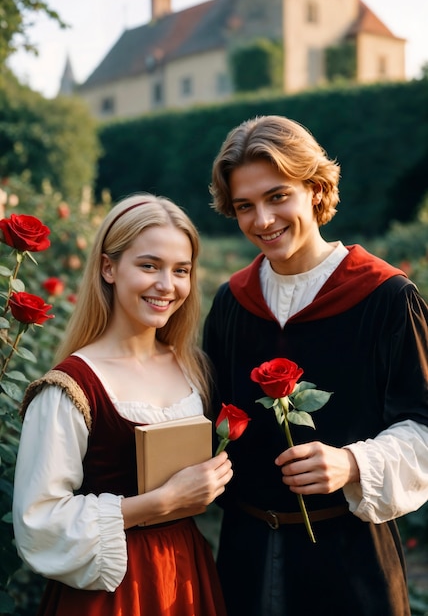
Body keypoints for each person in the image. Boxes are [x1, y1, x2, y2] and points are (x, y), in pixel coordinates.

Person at [203, 115, 428, 616]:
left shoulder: (387, 298)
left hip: (350, 563)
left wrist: (352, 463)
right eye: (245, 206)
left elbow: (424, 426)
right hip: (245, 557)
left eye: (278, 196)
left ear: (316, 189)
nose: (262, 220)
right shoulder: (232, 303)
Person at [13, 194, 233, 616]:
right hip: (110, 590)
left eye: (181, 270)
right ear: (108, 268)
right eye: (149, 266)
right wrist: (162, 502)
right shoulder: (71, 386)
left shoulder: (195, 368)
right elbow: (37, 521)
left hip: (186, 575)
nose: (167, 285)